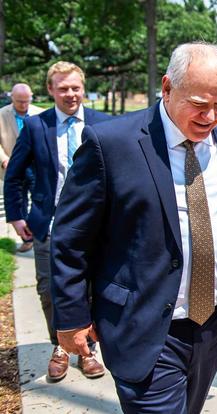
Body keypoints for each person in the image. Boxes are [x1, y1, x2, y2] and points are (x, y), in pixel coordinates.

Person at [50, 43, 217, 413]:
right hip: (144, 325)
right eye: (198, 103)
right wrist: (71, 316)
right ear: (167, 87)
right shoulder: (112, 144)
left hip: (216, 319)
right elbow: (70, 239)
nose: (211, 116)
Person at [3, 62, 110, 381]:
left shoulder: (103, 124)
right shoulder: (36, 126)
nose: (70, 94)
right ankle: (60, 346)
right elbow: (15, 175)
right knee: (49, 289)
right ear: (50, 90)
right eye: (63, 88)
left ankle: (87, 348)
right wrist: (17, 215)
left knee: (92, 288)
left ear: (83, 88)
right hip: (48, 225)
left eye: (76, 87)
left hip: (95, 226)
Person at [0, 83, 44, 252]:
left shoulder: (40, 113)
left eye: (26, 101)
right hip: (13, 166)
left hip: (35, 166)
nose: (23, 105)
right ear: (12, 98)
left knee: (40, 200)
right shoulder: (2, 115)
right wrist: (4, 159)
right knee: (19, 203)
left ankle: (40, 233)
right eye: (19, 101)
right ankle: (27, 237)